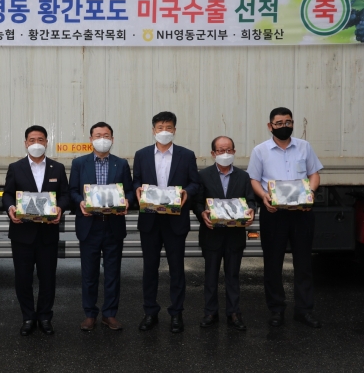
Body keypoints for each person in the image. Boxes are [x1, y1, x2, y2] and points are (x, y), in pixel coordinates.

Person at [247, 107, 323, 328]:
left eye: (287, 122)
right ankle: (276, 310)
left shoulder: (304, 146)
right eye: (279, 123)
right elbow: (254, 179)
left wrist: (311, 193)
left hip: (302, 213)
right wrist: (264, 197)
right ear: (270, 126)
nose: (284, 126)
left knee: (304, 263)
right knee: (273, 264)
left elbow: (314, 174)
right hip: (274, 214)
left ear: (293, 123)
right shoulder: (260, 151)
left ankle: (304, 310)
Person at [133, 111, 201, 333]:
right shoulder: (141, 155)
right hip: (150, 220)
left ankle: (176, 313)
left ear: (175, 130)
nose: (164, 131)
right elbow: (135, 181)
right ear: (153, 130)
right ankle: (150, 312)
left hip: (175, 220)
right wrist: (137, 190)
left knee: (177, 269)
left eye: (168, 127)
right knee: (149, 269)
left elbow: (194, 183)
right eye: (160, 127)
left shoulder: (186, 155)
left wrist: (187, 193)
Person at [2, 125, 69, 336]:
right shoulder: (16, 167)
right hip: (22, 233)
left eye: (40, 139)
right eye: (32, 140)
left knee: (48, 278)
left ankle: (45, 317)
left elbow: (65, 195)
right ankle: (28, 317)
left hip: (48, 233)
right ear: (25, 143)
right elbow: (7, 194)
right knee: (23, 278)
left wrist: (60, 207)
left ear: (46, 142)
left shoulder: (57, 168)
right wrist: (10, 208)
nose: (36, 143)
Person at [69, 122, 133, 331]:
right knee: (89, 274)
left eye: (106, 135)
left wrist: (127, 201)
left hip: (113, 225)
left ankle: (110, 314)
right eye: (98, 135)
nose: (102, 139)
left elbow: (129, 191)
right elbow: (72, 191)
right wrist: (80, 202)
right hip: (90, 226)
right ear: (91, 139)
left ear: (112, 139)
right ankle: (90, 314)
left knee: (113, 273)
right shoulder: (79, 163)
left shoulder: (121, 164)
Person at [193, 136, 256, 331]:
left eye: (228, 150)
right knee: (210, 276)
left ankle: (234, 313)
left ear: (234, 151)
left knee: (233, 276)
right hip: (212, 234)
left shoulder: (243, 176)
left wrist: (252, 211)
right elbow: (197, 202)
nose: (225, 154)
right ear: (213, 153)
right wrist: (202, 213)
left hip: (235, 235)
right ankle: (210, 312)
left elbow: (251, 200)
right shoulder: (203, 176)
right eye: (220, 150)